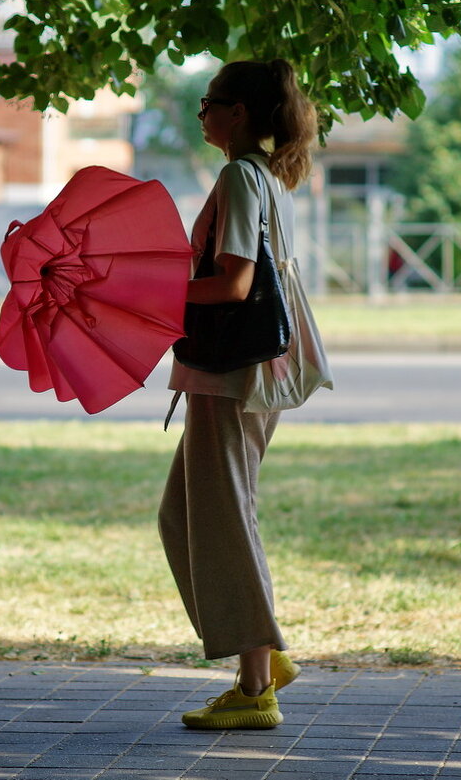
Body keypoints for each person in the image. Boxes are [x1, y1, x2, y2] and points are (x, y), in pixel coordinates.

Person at [158, 59, 317, 730]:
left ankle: (256, 683)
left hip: (234, 373)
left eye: (209, 102)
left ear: (239, 113)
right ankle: (261, 650)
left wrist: (153, 295)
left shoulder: (238, 175)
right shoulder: (265, 176)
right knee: (185, 515)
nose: (200, 113)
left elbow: (231, 284)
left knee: (222, 518)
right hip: (255, 370)